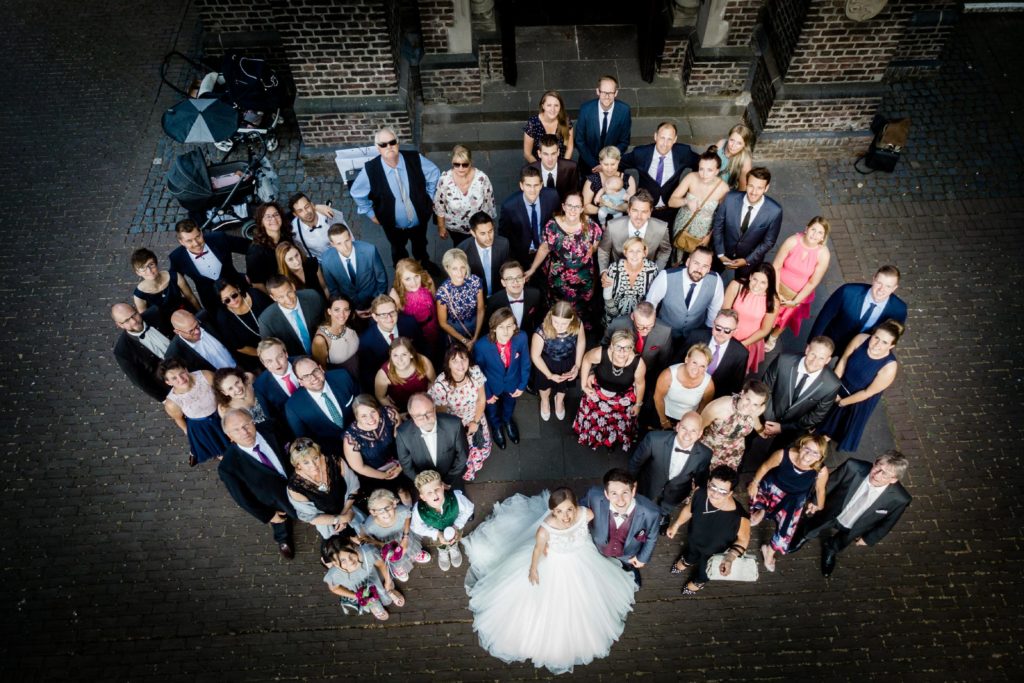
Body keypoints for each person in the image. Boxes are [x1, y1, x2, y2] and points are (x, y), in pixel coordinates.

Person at [462, 486, 637, 675]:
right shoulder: (545, 530)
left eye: (569, 509)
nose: (566, 516)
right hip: (555, 564)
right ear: (553, 511)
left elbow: (596, 523)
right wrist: (533, 569)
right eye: (559, 511)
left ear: (576, 506)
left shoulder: (585, 514)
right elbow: (537, 550)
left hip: (583, 559)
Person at [793, 451, 911, 577]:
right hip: (832, 511)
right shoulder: (852, 467)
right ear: (875, 462)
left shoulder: (900, 499)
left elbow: (888, 522)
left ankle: (831, 549)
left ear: (893, 479)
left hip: (855, 526)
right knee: (815, 524)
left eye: (885, 474)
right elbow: (828, 484)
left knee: (842, 541)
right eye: (878, 467)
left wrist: (869, 538)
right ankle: (805, 535)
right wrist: (816, 502)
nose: (877, 475)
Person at [350, 127, 441, 266]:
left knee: (421, 245)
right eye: (383, 144)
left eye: (392, 142)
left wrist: (430, 196)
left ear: (398, 143)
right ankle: (401, 271)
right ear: (377, 148)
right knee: (398, 250)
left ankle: (424, 264)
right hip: (393, 225)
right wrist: (370, 214)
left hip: (419, 220)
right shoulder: (371, 170)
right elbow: (356, 192)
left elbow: (434, 173)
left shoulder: (415, 158)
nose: (389, 147)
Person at [219, 408, 296, 559]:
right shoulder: (228, 467)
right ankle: (283, 539)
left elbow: (292, 443)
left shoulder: (272, 427)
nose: (244, 432)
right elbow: (242, 498)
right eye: (236, 430)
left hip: (298, 483)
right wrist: (268, 516)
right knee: (281, 522)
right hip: (274, 502)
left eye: (246, 425)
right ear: (229, 436)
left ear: (253, 422)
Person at [747, 433, 829, 572]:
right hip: (773, 487)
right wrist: (754, 483)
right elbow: (765, 467)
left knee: (785, 531)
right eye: (807, 449)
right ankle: (761, 511)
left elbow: (820, 490)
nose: (808, 456)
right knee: (757, 498)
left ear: (820, 457)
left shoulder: (821, 470)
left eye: (815, 453)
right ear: (801, 446)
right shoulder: (782, 454)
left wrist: (819, 506)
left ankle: (769, 552)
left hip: (794, 499)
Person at [817, 320, 903, 452]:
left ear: (891, 346)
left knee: (835, 424)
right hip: (841, 383)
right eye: (876, 338)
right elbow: (844, 360)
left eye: (884, 342)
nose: (877, 344)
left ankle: (822, 442)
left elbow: (868, 392)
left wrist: (842, 402)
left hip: (857, 398)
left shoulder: (889, 367)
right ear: (872, 334)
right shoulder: (860, 339)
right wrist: (833, 386)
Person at [665, 465, 751, 595]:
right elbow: (689, 509)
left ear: (730, 493)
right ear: (708, 482)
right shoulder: (700, 492)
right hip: (694, 540)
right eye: (713, 487)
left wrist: (730, 557)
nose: (715, 494)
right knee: (691, 554)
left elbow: (743, 540)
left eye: (722, 491)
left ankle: (699, 581)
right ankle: (687, 561)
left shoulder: (740, 518)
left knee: (706, 570)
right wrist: (676, 525)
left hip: (715, 553)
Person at [755, 337, 841, 456]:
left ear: (828, 360)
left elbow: (815, 417)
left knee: (778, 455)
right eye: (813, 354)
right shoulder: (783, 361)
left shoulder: (832, 385)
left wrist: (782, 428)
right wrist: (770, 418)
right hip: (767, 410)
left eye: (821, 358)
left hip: (793, 427)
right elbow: (765, 388)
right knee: (746, 438)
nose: (814, 361)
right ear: (807, 350)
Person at [579, 468, 661, 587]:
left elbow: (651, 537)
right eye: (614, 493)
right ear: (606, 494)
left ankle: (630, 570)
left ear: (633, 490)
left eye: (625, 492)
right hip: (600, 549)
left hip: (628, 555)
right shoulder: (593, 496)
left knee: (628, 566)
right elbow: (580, 510)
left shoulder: (651, 513)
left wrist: (642, 558)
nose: (620, 500)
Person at [628, 412, 712, 526]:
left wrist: (699, 497)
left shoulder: (705, 454)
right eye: (684, 428)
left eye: (693, 431)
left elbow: (701, 479)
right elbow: (636, 462)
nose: (687, 435)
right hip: (650, 482)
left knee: (667, 506)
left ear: (700, 434)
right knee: (643, 504)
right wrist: (630, 483)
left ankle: (663, 515)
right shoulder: (654, 439)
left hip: (678, 490)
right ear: (677, 427)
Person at [525, 192, 602, 314]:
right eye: (569, 205)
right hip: (559, 280)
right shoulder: (552, 226)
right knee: (559, 311)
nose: (573, 210)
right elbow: (544, 249)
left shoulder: (592, 227)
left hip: (583, 279)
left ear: (582, 209)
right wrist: (532, 269)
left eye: (577, 206)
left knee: (581, 312)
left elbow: (595, 248)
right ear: (563, 207)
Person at [765, 215, 832, 352]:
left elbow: (813, 282)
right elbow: (776, 266)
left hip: (797, 296)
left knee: (785, 319)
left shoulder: (823, 254)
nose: (815, 235)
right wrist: (775, 291)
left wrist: (795, 301)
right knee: (766, 311)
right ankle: (761, 330)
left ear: (823, 237)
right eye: (813, 229)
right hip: (778, 286)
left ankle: (773, 337)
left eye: (820, 233)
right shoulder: (792, 241)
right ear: (806, 229)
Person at [809, 265, 908, 356]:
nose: (881, 289)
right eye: (879, 283)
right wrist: (812, 343)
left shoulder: (899, 309)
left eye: (888, 286)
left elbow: (891, 337)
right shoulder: (847, 291)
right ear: (873, 279)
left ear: (894, 288)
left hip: (861, 351)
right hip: (832, 341)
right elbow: (824, 317)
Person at [573, 330, 646, 452]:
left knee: (619, 422)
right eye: (618, 347)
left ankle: (612, 440)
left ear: (632, 348)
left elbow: (640, 384)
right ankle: (593, 436)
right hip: (598, 393)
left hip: (622, 398)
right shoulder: (600, 353)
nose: (622, 352)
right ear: (611, 346)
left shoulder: (638, 363)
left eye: (627, 347)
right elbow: (586, 360)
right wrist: (583, 385)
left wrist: (638, 405)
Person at [429, 343, 492, 481]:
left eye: (463, 359)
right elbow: (443, 417)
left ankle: (475, 465)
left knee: (479, 445)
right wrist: (459, 431)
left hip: (476, 416)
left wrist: (475, 422)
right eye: (455, 361)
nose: (461, 364)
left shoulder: (475, 372)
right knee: (462, 452)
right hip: (456, 425)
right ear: (448, 364)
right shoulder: (441, 385)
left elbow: (481, 399)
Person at [710, 167, 783, 280]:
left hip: (750, 259)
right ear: (746, 184)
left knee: (743, 286)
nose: (754, 192)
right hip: (722, 251)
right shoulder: (730, 198)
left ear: (766, 188)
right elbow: (718, 226)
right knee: (710, 278)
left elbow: (768, 242)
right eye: (751, 186)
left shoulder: (775, 211)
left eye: (759, 188)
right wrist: (720, 253)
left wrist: (746, 260)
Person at [473, 308, 530, 449]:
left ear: (515, 326)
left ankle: (507, 420)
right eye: (501, 327)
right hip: (491, 385)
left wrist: (522, 385)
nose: (506, 331)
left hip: (513, 383)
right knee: (492, 410)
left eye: (509, 326)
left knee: (510, 404)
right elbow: (478, 372)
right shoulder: (481, 346)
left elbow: (525, 362)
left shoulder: (521, 337)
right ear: (493, 328)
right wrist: (487, 394)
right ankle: (496, 426)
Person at [620, 121, 699, 222]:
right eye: (662, 138)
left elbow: (702, 163)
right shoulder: (641, 153)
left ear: (675, 139)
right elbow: (619, 164)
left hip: (670, 211)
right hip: (645, 211)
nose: (665, 144)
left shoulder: (683, 152)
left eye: (669, 139)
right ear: (655, 136)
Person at [286, 437, 363, 540]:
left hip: (350, 508)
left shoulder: (335, 461)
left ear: (319, 454)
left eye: (315, 458)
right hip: (329, 523)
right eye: (306, 462)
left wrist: (345, 514)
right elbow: (311, 517)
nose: (313, 465)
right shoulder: (295, 487)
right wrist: (339, 520)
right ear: (298, 465)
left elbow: (354, 487)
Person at [342, 394, 413, 505]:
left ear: (378, 409)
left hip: (400, 460)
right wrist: (385, 476)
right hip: (375, 473)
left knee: (406, 490)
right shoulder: (351, 439)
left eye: (373, 412)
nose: (370, 419)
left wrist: (401, 466)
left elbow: (403, 442)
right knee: (389, 500)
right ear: (357, 417)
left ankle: (410, 506)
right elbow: (360, 467)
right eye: (364, 416)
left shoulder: (390, 414)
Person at [168, 219, 249, 312]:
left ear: (201, 232)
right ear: (181, 242)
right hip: (211, 301)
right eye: (189, 241)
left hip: (238, 290)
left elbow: (250, 247)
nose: (196, 243)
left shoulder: (219, 238)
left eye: (198, 236)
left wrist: (251, 274)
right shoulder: (177, 257)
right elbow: (174, 282)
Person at [645, 246, 724, 342]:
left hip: (694, 337)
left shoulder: (716, 281)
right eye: (696, 263)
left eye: (705, 266)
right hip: (664, 334)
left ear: (709, 269)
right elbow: (650, 304)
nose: (699, 270)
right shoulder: (666, 276)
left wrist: (706, 337)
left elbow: (714, 312)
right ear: (688, 262)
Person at [159, 359, 229, 467]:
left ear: (186, 370)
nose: (181, 379)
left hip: (221, 414)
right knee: (222, 453)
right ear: (168, 382)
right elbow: (179, 419)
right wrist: (192, 436)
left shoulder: (206, 376)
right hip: (202, 427)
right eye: (174, 378)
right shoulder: (172, 403)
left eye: (182, 373)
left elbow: (221, 391)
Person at [284, 357, 359, 456]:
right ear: (300, 381)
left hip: (363, 435)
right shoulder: (293, 407)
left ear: (321, 369)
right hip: (333, 454)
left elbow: (362, 401)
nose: (313, 378)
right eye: (306, 376)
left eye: (315, 371)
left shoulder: (342, 377)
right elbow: (306, 441)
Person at [320, 535, 404, 620]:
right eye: (343, 560)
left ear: (354, 547)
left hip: (377, 578)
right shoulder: (334, 575)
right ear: (335, 564)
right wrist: (355, 596)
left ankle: (389, 590)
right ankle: (373, 604)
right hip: (363, 592)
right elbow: (334, 589)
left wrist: (388, 582)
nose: (350, 561)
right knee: (369, 599)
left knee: (385, 585)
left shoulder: (368, 553)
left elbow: (381, 565)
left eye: (351, 554)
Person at [667, 146, 729, 257]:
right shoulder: (691, 177)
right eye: (701, 169)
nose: (704, 174)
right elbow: (671, 202)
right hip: (683, 225)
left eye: (709, 170)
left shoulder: (723, 188)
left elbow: (722, 217)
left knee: (696, 258)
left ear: (717, 171)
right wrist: (686, 201)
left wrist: (710, 236)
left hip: (703, 233)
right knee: (677, 256)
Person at [396, 393, 469, 485]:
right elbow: (407, 466)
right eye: (418, 416)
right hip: (425, 485)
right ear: (411, 416)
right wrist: (425, 484)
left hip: (452, 477)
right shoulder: (403, 433)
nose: (425, 419)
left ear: (434, 409)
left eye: (428, 413)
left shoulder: (454, 424)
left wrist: (448, 481)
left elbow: (462, 455)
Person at [359, 489, 431, 579]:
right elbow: (364, 537)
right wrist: (379, 544)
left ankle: (414, 554)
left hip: (403, 535)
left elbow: (407, 517)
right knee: (394, 557)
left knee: (410, 546)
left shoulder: (401, 511)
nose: (385, 513)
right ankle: (398, 567)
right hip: (386, 544)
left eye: (387, 507)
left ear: (393, 504)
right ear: (373, 512)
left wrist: (405, 537)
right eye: (379, 510)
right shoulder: (370, 526)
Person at [410, 469, 474, 571]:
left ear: (443, 487)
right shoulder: (419, 510)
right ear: (423, 497)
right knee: (439, 543)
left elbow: (469, 508)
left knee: (455, 538)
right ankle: (442, 551)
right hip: (436, 533)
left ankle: (453, 547)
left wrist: (456, 526)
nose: (434, 494)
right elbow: (415, 527)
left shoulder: (456, 498)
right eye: (429, 492)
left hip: (455, 528)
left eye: (437, 489)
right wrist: (437, 534)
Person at [530, 301, 585, 422]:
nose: (559, 326)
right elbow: (535, 356)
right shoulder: (541, 331)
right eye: (556, 322)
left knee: (563, 386)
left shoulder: (578, 324)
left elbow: (581, 342)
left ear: (571, 318)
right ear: (551, 316)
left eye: (564, 323)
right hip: (546, 363)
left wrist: (577, 365)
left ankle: (559, 401)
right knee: (544, 387)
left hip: (567, 360)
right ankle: (545, 401)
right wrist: (549, 375)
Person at [699, 379, 770, 470]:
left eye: (755, 404)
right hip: (709, 451)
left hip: (733, 454)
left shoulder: (759, 409)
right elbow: (699, 428)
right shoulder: (718, 408)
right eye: (748, 399)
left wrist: (761, 431)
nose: (749, 406)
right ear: (742, 393)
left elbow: (754, 417)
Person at [498, 166, 561, 268]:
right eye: (528, 185)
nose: (532, 190)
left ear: (541, 185)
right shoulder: (509, 206)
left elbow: (559, 219)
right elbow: (504, 235)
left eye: (536, 185)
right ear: (521, 185)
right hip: (521, 255)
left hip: (547, 252)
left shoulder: (552, 196)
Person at [722, 263, 779, 374]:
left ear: (769, 284)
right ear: (750, 276)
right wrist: (726, 335)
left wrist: (742, 345)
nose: (757, 285)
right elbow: (724, 312)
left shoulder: (773, 300)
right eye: (755, 279)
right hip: (727, 334)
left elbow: (765, 330)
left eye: (763, 282)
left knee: (736, 372)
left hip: (750, 342)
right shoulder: (736, 286)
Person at [598, 190, 672, 276]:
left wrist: (656, 272)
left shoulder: (661, 228)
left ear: (650, 212)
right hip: (617, 274)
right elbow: (604, 250)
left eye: (644, 212)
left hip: (648, 275)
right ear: (629, 210)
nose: (639, 217)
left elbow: (665, 251)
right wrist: (604, 272)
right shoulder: (612, 226)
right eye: (635, 210)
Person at [320, 223, 388, 316]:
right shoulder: (326, 260)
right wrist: (349, 310)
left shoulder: (369, 251)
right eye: (339, 243)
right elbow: (333, 289)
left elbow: (381, 279)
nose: (345, 247)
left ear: (350, 237)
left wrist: (377, 303)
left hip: (374, 302)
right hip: (350, 308)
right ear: (332, 244)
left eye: (347, 241)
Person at [357, 294, 422, 389]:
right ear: (375, 317)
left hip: (415, 374)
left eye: (392, 312)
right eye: (383, 315)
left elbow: (423, 347)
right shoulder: (366, 341)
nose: (389, 318)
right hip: (389, 384)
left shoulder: (410, 323)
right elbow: (367, 374)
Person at [130, 247, 200, 335]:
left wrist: (201, 314)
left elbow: (191, 298)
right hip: (166, 325)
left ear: (156, 263)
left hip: (186, 314)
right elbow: (147, 318)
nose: (149, 271)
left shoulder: (175, 276)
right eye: (143, 268)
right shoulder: (139, 295)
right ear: (138, 273)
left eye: (151, 264)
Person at [433, 144, 496, 240]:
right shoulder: (444, 180)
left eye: (465, 164)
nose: (461, 168)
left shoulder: (482, 179)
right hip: (455, 229)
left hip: (479, 228)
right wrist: (441, 227)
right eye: (456, 164)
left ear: (471, 162)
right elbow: (439, 206)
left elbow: (489, 204)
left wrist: (489, 227)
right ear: (452, 162)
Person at [110, 303, 170, 401]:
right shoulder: (122, 351)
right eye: (126, 320)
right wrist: (164, 399)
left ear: (136, 310)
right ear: (119, 325)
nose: (134, 321)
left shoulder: (157, 312)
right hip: (171, 384)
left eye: (134, 315)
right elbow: (140, 381)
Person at [685, 308, 748, 399]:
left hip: (714, 397)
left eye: (727, 330)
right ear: (713, 324)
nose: (721, 333)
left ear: (735, 331)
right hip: (686, 387)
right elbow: (678, 362)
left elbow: (735, 386)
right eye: (718, 328)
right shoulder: (695, 336)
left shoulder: (741, 354)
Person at [603, 302, 673, 382]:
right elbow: (604, 345)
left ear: (655, 318)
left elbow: (664, 360)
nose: (645, 330)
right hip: (617, 370)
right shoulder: (618, 324)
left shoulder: (665, 331)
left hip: (646, 374)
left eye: (650, 326)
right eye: (640, 326)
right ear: (632, 316)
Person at [575, 75, 632, 173]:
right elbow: (580, 141)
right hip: (589, 163)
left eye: (610, 93)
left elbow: (624, 141)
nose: (607, 96)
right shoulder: (586, 109)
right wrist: (594, 164)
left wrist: (607, 163)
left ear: (616, 93)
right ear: (598, 91)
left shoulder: (624, 111)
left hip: (612, 164)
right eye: (604, 92)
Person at [213, 278, 272, 372]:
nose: (233, 301)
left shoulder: (255, 295)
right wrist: (264, 354)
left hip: (280, 337)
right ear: (222, 302)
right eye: (227, 300)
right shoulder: (223, 318)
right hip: (259, 353)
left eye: (234, 295)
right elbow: (240, 347)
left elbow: (274, 313)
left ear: (238, 289)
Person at [257, 275, 324, 357]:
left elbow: (327, 321)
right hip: (295, 360)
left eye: (289, 292)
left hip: (324, 351)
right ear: (273, 297)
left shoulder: (313, 297)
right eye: (281, 297)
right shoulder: (266, 320)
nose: (288, 300)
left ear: (293, 286)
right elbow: (271, 351)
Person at [386, 258, 439, 359]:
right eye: (407, 279)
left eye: (416, 276)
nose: (414, 282)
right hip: (414, 334)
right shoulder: (396, 295)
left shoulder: (426, 280)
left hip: (431, 328)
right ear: (400, 280)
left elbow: (434, 299)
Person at [653, 343, 715, 429]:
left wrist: (693, 423)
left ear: (706, 368)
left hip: (689, 421)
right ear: (686, 359)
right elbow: (658, 398)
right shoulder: (668, 375)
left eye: (702, 366)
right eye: (694, 362)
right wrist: (664, 421)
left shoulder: (708, 384)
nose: (696, 369)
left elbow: (703, 407)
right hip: (664, 415)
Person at [601, 235, 660, 326]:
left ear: (645, 253)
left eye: (638, 251)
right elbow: (607, 295)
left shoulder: (652, 269)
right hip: (613, 314)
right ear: (625, 253)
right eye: (631, 251)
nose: (634, 255)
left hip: (640, 317)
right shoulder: (614, 268)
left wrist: (640, 317)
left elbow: (653, 296)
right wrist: (615, 316)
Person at [436, 248, 485, 350]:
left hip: (477, 326)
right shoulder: (443, 293)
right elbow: (443, 323)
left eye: (463, 267)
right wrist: (464, 340)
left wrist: (476, 337)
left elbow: (480, 309)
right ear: (447, 268)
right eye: (454, 268)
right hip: (456, 333)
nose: (460, 273)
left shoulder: (475, 281)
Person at [375, 337, 436, 416]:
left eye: (404, 354)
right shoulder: (383, 374)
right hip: (403, 411)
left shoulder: (423, 362)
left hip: (424, 405)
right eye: (395, 355)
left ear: (411, 354)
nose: (400, 360)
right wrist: (397, 413)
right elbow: (381, 397)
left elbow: (433, 382)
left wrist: (428, 402)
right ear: (390, 356)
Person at [458, 211, 510, 298]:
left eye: (490, 231)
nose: (488, 238)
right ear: (473, 233)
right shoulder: (463, 250)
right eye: (483, 233)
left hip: (499, 294)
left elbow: (506, 269)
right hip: (476, 297)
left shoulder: (503, 244)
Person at [166, 310, 237, 372]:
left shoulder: (206, 316)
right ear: (177, 332)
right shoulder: (174, 355)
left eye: (197, 325)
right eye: (191, 331)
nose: (197, 331)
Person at [252, 337, 301, 426]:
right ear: (264, 364)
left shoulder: (303, 362)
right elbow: (272, 417)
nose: (277, 364)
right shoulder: (260, 386)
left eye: (279, 357)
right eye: (269, 361)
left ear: (286, 354)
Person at [484, 260, 543, 335]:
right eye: (510, 278)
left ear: (524, 279)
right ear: (503, 283)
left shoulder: (535, 294)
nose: (515, 282)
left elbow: (538, 319)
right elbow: (490, 327)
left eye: (519, 277)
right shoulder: (493, 301)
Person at [246, 202, 292, 292]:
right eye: (268, 217)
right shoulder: (256, 252)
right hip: (275, 292)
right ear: (261, 222)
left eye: (276, 214)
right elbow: (257, 284)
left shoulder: (285, 236)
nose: (273, 219)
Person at [582, 145, 636, 221]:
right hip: (597, 220)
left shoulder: (628, 179)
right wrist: (603, 211)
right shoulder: (592, 180)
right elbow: (585, 207)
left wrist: (612, 207)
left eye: (613, 164)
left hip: (620, 220)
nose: (609, 168)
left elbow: (633, 205)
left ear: (618, 161)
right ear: (600, 162)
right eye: (606, 164)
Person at [311, 294, 360, 379]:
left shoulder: (350, 323)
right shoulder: (320, 340)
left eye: (346, 309)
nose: (342, 315)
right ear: (329, 311)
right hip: (342, 378)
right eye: (337, 310)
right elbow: (322, 368)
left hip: (359, 370)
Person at [212, 367, 274, 432]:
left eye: (237, 382)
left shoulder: (250, 380)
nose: (237, 389)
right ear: (224, 392)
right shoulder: (225, 408)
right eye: (230, 388)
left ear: (240, 378)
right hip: (263, 433)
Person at [288, 191, 344, 261]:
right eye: (300, 211)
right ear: (295, 214)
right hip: (321, 262)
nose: (306, 212)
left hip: (342, 254)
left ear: (312, 204)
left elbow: (347, 234)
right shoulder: (294, 230)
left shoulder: (329, 214)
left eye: (307, 207)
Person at [522, 90, 573, 163]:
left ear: (560, 107)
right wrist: (540, 168)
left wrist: (563, 167)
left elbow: (569, 148)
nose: (553, 109)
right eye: (549, 105)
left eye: (556, 105)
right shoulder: (533, 123)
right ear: (543, 106)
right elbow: (527, 154)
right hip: (538, 165)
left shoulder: (565, 122)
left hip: (561, 164)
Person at [527, 133, 580, 200]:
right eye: (546, 154)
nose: (550, 159)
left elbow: (575, 195)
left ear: (558, 152)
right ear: (539, 154)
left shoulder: (571, 168)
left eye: (553, 154)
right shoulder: (528, 170)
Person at [714, 123, 755, 191]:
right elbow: (707, 161)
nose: (733, 146)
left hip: (727, 190)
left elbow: (743, 186)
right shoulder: (721, 144)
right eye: (732, 140)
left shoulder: (745, 160)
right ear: (728, 138)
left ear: (744, 145)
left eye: (739, 143)